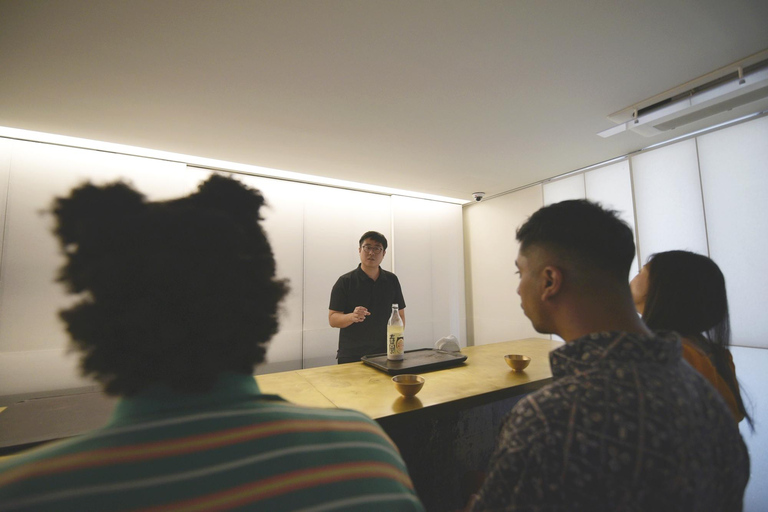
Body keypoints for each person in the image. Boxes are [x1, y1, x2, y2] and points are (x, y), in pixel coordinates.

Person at [0, 175, 424, 512]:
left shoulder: (21, 491)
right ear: (263, 306)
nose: (372, 252)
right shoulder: (364, 454)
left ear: (96, 318)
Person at [469, 200, 749, 512]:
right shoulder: (707, 398)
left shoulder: (550, 420)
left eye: (520, 272)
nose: (518, 289)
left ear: (550, 281)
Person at [631, 250, 752, 426]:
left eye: (641, 271)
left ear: (664, 286)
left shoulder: (672, 354)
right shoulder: (711, 353)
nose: (633, 277)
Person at [329, 231, 406, 364]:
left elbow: (400, 315)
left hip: (385, 353)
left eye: (377, 248)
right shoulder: (345, 281)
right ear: (359, 250)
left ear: (384, 253)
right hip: (352, 355)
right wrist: (351, 317)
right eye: (367, 247)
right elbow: (333, 319)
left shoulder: (391, 280)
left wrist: (395, 345)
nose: (371, 252)